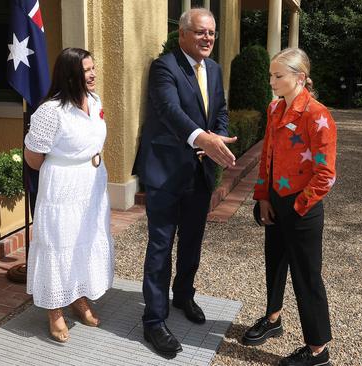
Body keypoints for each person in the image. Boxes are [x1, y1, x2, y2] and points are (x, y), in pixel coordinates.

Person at [132, 7, 237, 358]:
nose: (208, 38)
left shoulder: (215, 69)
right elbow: (169, 110)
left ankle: (184, 295)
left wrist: (217, 138)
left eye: (212, 33)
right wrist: (201, 138)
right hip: (165, 173)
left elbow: (219, 111)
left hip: (199, 174)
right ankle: (154, 321)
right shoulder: (164, 66)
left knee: (192, 240)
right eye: (200, 32)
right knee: (160, 247)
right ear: (182, 35)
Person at [245, 48, 337, 366]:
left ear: (299, 77)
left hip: (303, 209)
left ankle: (317, 350)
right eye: (271, 75)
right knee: (275, 263)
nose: (271, 80)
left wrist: (297, 207)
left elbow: (326, 175)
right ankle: (273, 320)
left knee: (306, 277)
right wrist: (264, 196)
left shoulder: (317, 115)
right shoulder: (274, 109)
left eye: (277, 76)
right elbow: (267, 156)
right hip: (277, 201)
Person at [24, 47, 114, 343]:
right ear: (70, 74)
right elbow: (34, 157)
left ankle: (79, 297)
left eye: (93, 67)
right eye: (86, 69)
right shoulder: (50, 112)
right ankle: (55, 311)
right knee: (59, 244)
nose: (93, 73)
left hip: (93, 182)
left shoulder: (94, 100)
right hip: (62, 187)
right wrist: (64, 168)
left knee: (84, 242)